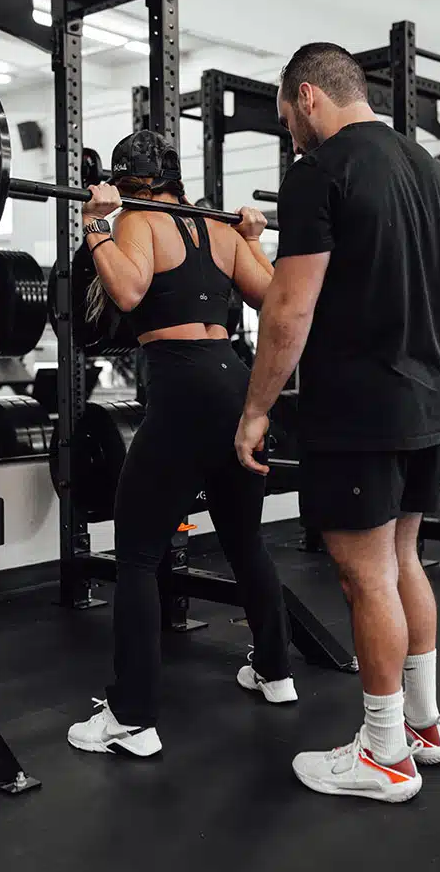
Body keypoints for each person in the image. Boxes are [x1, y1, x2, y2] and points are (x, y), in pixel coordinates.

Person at [235, 44, 440, 804]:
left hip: (360, 413)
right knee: (403, 557)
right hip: (428, 403)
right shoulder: (434, 172)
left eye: (284, 116)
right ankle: (424, 727)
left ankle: (383, 754)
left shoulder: (321, 171)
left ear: (307, 97)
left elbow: (290, 309)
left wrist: (258, 408)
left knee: (363, 574)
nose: (290, 133)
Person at [68, 130, 297, 759]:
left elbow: (128, 291)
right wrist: (252, 241)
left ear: (127, 180)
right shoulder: (216, 227)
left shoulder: (139, 219)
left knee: (138, 555)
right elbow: (276, 296)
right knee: (244, 538)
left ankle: (131, 718)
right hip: (236, 386)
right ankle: (275, 672)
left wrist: (97, 225)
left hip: (182, 389)